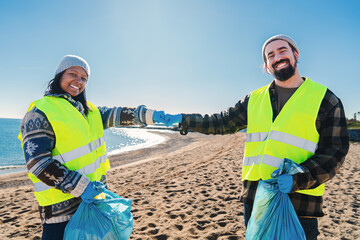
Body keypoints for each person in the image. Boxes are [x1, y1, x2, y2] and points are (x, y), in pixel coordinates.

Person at [165, 34, 349, 239]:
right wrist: (182, 119)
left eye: (282, 51)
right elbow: (219, 122)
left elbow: (335, 152)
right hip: (255, 200)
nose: (277, 57)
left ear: (296, 54)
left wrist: (299, 178)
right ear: (266, 65)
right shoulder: (254, 99)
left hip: (299, 203)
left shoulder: (325, 99)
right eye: (270, 55)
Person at [19, 55, 169, 240]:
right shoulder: (40, 112)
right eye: (72, 73)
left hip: (94, 203)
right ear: (59, 75)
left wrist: (155, 116)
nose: (78, 81)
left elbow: (119, 114)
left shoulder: (89, 111)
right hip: (60, 211)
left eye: (84, 78)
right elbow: (38, 163)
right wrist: (82, 187)